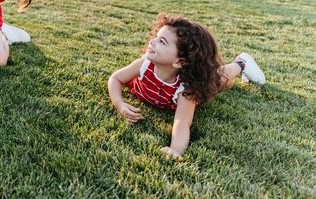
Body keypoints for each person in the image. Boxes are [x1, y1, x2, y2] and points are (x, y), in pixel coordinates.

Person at [108, 14, 265, 157]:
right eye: (156, 36)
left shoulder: (187, 89)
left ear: (179, 61)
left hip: (192, 81)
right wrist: (119, 104)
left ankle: (242, 63)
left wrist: (175, 149)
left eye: (161, 41)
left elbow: (182, 122)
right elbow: (115, 78)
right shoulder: (144, 64)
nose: (152, 41)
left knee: (217, 78)